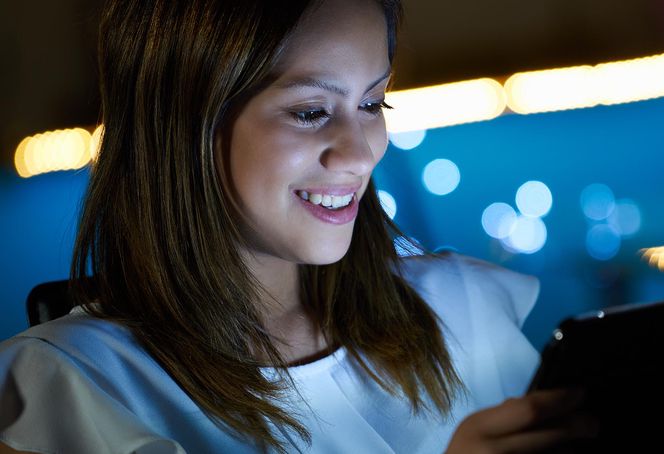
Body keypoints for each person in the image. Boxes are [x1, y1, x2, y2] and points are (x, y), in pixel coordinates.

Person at [0, 0, 596, 452]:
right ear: (181, 127)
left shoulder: (462, 308)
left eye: (372, 103)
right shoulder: (67, 387)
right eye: (311, 113)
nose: (360, 154)